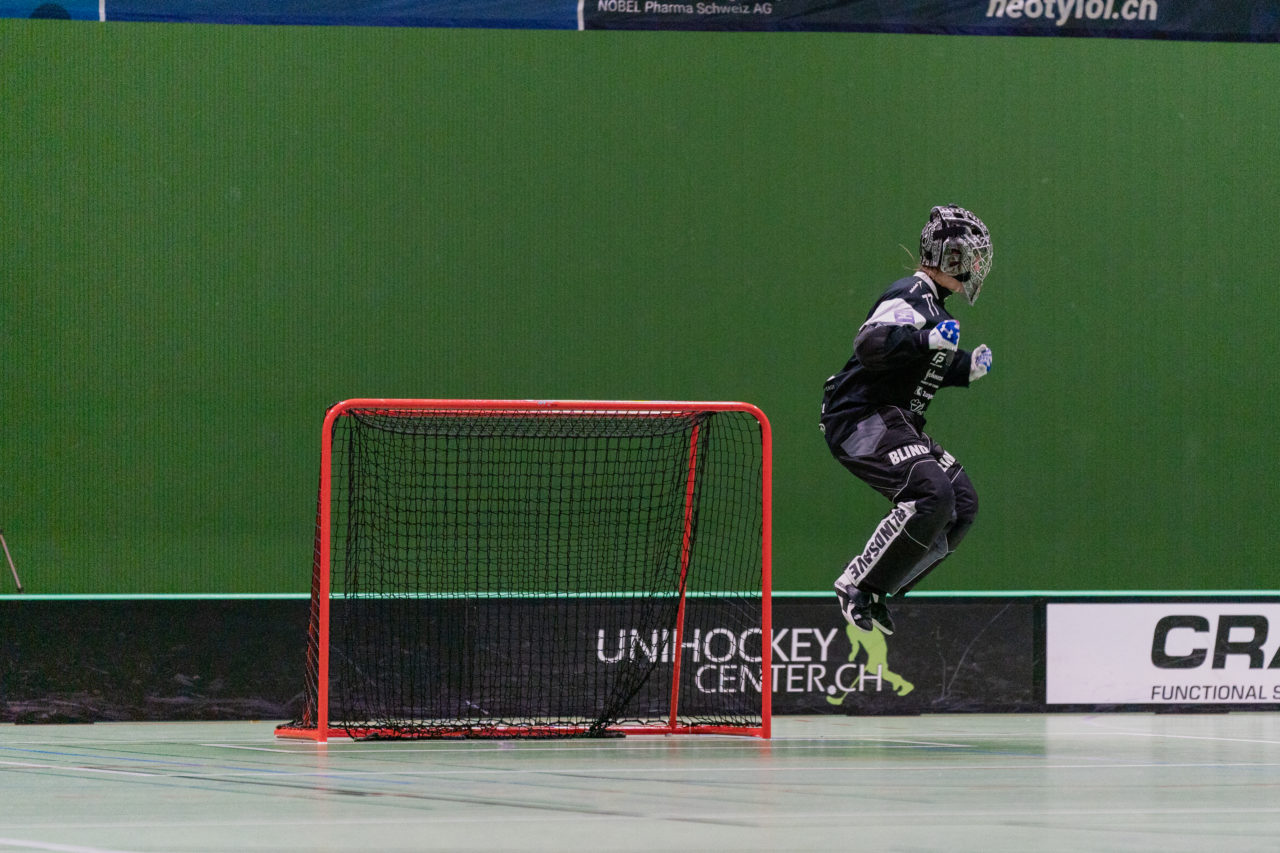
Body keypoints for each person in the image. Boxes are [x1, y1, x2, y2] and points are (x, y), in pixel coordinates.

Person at [819, 204, 994, 635]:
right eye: (971, 256)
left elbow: (922, 370)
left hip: (899, 421)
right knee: (929, 492)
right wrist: (924, 338)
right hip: (860, 417)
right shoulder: (910, 296)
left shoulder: (938, 311)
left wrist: (965, 367)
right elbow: (871, 345)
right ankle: (856, 583)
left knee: (960, 505)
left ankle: (878, 587)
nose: (976, 266)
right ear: (950, 258)